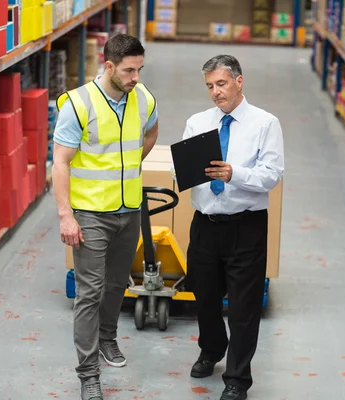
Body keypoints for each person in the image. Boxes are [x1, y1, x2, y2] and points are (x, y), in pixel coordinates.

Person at [52, 33, 158, 400]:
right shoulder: (78, 104)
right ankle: (88, 374)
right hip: (89, 214)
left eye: (140, 69)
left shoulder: (142, 98)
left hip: (129, 209)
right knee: (90, 293)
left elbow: (152, 129)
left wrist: (129, 167)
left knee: (117, 284)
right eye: (129, 71)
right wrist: (66, 215)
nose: (136, 78)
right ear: (109, 66)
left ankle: (108, 339)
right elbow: (60, 162)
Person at [181, 54, 284, 400]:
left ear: (239, 81)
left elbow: (271, 176)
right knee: (204, 294)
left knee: (243, 306)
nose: (216, 92)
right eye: (210, 86)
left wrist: (233, 174)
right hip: (205, 224)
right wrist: (186, 170)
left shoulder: (265, 123)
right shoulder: (198, 122)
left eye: (221, 84)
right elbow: (181, 171)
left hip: (246, 227)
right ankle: (212, 349)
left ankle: (238, 378)